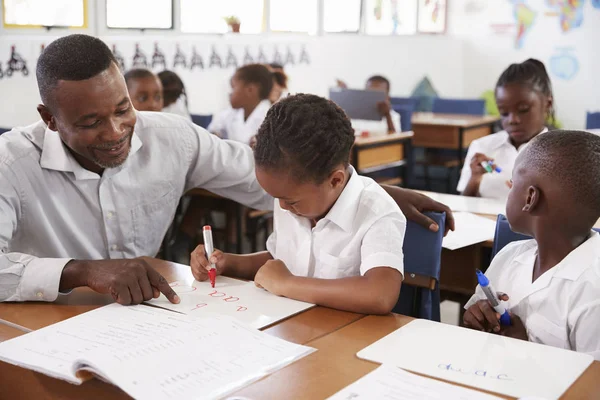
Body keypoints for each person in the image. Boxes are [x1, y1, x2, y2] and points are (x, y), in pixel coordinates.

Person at [0, 34, 453, 305]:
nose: (117, 131)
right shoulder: (11, 164)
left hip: (144, 319)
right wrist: (82, 272)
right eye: (91, 123)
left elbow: (275, 182)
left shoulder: (172, 138)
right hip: (45, 322)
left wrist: (373, 192)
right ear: (49, 119)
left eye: (123, 108)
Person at [191, 94, 404, 314]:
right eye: (277, 198)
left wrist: (287, 284)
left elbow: (380, 294)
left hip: (345, 338)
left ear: (335, 180)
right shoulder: (291, 198)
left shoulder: (376, 212)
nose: (282, 207)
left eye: (290, 201)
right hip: (292, 330)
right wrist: (227, 263)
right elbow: (280, 260)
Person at [463, 131, 600, 359]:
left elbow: (591, 387)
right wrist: (475, 317)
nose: (509, 191)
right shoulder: (508, 257)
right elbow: (472, 325)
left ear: (530, 198)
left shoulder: (592, 291)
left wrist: (527, 352)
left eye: (513, 184)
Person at [457, 59, 554, 200]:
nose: (512, 120)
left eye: (523, 110)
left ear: (547, 104)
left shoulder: (558, 155)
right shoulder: (482, 147)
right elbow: (464, 203)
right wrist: (475, 178)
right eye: (504, 113)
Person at [207, 64, 273, 146]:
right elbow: (213, 131)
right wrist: (215, 135)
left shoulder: (270, 117)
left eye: (233, 87)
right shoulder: (229, 114)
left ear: (250, 90)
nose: (230, 93)